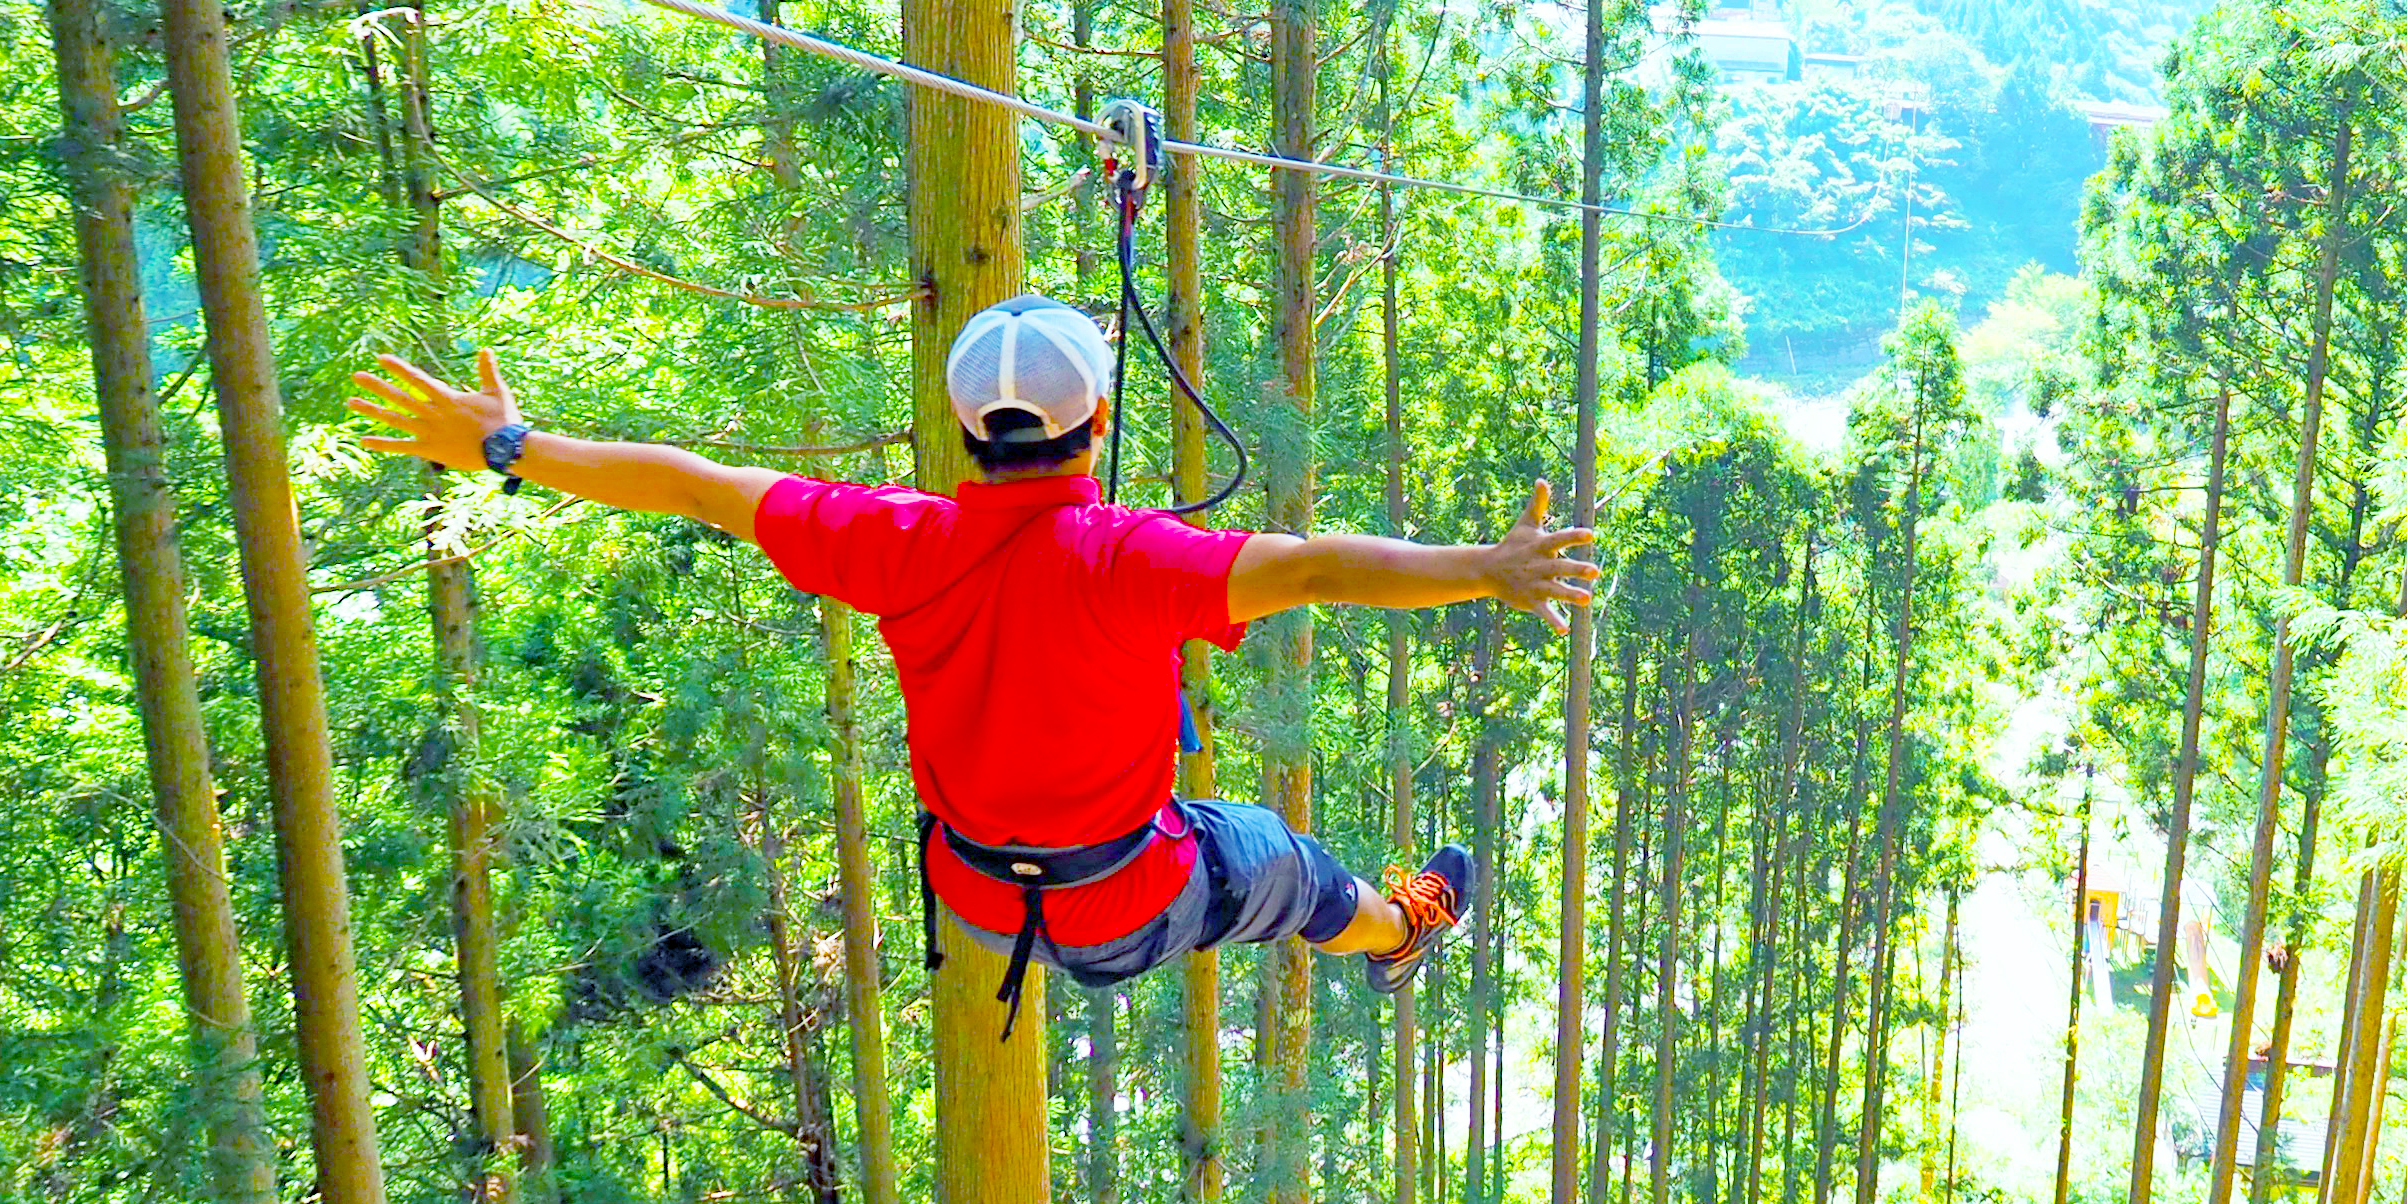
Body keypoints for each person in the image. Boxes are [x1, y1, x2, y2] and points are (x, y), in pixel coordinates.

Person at [350, 295, 1591, 1012]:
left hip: (981, 902)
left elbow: (700, 487)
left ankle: (1383, 923)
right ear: (1099, 422)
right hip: (1121, 905)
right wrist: (1489, 566)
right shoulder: (1136, 561)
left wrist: (509, 447)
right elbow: (1320, 565)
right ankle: (1406, 931)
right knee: (1290, 863)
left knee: (1227, 842)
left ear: (960, 425)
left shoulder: (894, 542)